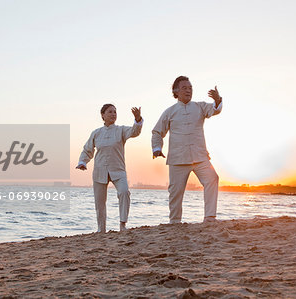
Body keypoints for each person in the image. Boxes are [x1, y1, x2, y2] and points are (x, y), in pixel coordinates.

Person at [151, 76, 222, 224]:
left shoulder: (200, 106)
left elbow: (215, 109)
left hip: (200, 156)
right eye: (184, 88)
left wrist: (218, 100)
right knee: (175, 192)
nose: (188, 90)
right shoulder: (169, 112)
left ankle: (210, 217)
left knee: (212, 178)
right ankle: (175, 221)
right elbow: (157, 132)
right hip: (178, 158)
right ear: (176, 91)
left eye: (190, 88)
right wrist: (157, 148)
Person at [76, 104, 143, 232]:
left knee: (124, 192)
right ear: (103, 115)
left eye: (115, 112)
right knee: (99, 203)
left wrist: (138, 120)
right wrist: (82, 162)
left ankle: (122, 224)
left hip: (118, 170)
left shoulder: (121, 130)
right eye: (110, 112)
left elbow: (135, 132)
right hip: (100, 171)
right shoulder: (96, 133)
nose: (113, 114)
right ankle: (101, 229)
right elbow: (87, 149)